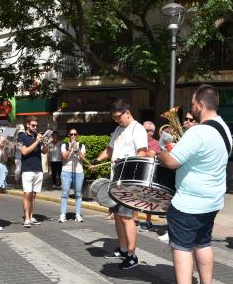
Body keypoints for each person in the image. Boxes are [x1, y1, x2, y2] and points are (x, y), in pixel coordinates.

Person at [158, 84, 232, 284]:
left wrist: (161, 150)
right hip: (212, 200)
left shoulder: (198, 132)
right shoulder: (223, 128)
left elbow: (171, 162)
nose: (190, 108)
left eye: (192, 104)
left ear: (201, 105)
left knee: (181, 247)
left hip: (189, 202)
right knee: (203, 242)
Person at [91, 99, 148, 270]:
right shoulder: (118, 129)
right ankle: (123, 249)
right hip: (116, 179)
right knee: (117, 215)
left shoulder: (137, 129)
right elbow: (109, 150)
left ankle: (132, 255)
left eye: (118, 117)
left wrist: (126, 162)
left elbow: (142, 153)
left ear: (127, 112)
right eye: (114, 118)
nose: (117, 121)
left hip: (128, 181)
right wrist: (97, 160)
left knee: (127, 217)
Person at [157, 112, 197, 242]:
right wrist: (167, 140)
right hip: (178, 174)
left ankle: (180, 232)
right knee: (173, 203)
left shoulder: (195, 137)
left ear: (197, 122)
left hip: (189, 177)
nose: (186, 122)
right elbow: (163, 148)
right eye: (185, 119)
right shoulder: (184, 135)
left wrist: (176, 147)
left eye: (190, 120)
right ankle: (172, 229)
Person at [18, 116, 48, 227]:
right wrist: (36, 142)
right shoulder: (21, 136)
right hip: (27, 169)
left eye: (36, 125)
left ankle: (31, 215)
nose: (35, 127)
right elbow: (24, 151)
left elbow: (44, 152)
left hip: (38, 169)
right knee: (27, 194)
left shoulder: (37, 136)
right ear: (27, 125)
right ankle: (26, 219)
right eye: (33, 125)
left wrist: (45, 143)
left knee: (34, 195)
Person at [58, 128, 86, 222]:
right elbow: (64, 157)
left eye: (75, 134)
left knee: (78, 194)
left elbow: (83, 159)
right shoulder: (64, 145)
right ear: (68, 136)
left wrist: (77, 150)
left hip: (78, 172)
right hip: (66, 171)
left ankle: (78, 215)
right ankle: (63, 214)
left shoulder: (81, 145)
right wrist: (70, 149)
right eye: (71, 134)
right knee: (65, 194)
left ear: (77, 135)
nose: (73, 136)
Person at [138, 121, 161, 233]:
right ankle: (135, 220)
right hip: (138, 171)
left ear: (151, 132)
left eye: (146, 130)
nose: (143, 132)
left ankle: (148, 221)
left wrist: (141, 153)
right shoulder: (138, 142)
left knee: (149, 198)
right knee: (135, 195)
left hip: (150, 173)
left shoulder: (156, 143)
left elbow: (151, 154)